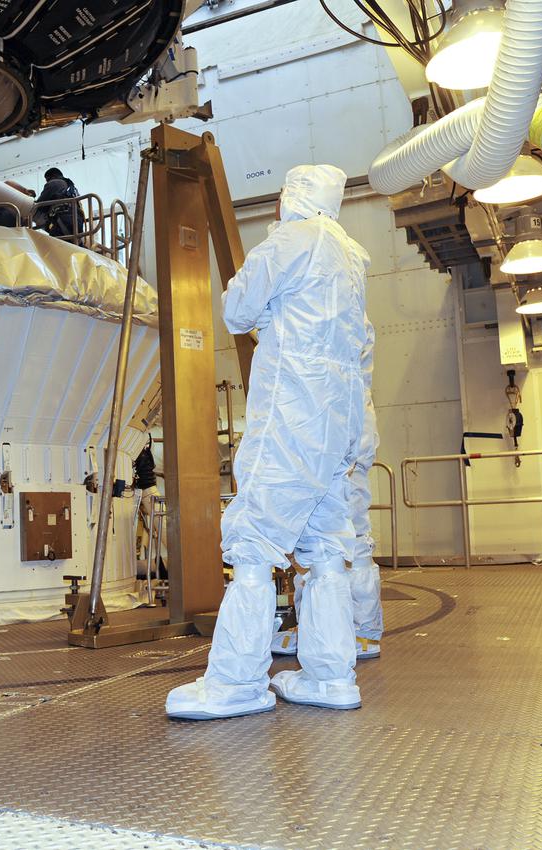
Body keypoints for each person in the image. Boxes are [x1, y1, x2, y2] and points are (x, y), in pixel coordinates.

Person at [165, 164, 370, 721]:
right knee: (328, 546)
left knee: (254, 542)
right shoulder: (352, 256)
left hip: (293, 412)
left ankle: (235, 683)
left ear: (292, 197)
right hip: (340, 418)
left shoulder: (291, 241)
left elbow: (238, 309)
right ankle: (331, 675)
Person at [272, 320, 384, 661]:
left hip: (342, 446)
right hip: (338, 442)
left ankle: (357, 631)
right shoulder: (343, 319)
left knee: (344, 541)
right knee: (328, 542)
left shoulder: (339, 323)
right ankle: (324, 627)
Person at [34, 167, 81, 239]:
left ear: (53, 176)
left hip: (63, 221)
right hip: (77, 221)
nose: (47, 183)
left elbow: (40, 205)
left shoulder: (55, 183)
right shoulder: (70, 186)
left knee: (59, 246)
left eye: (47, 180)